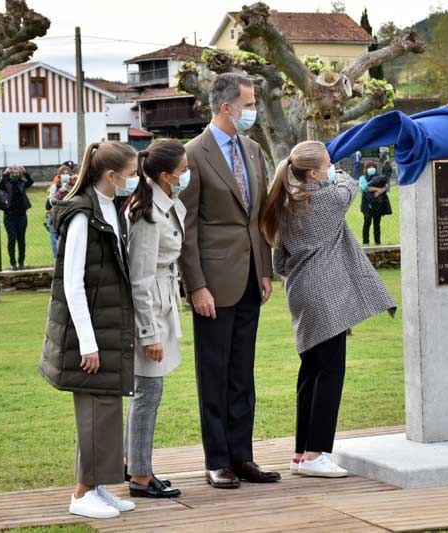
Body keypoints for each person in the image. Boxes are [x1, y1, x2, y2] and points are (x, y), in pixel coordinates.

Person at [259, 140, 396, 478]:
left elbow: (281, 262)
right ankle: (316, 453)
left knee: (310, 372)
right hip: (325, 295)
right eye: (328, 163)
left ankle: (300, 453)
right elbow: (349, 184)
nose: (334, 167)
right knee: (331, 373)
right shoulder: (327, 198)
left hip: (301, 292)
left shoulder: (286, 205)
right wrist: (335, 174)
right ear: (315, 171)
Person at [178, 73, 280, 489]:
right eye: (249, 104)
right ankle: (217, 459)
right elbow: (186, 226)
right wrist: (196, 284)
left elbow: (258, 217)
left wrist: (265, 268)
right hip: (213, 284)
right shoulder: (193, 154)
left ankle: (243, 457)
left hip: (251, 279)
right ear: (226, 108)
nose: (254, 111)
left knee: (243, 374)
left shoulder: (253, 149)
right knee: (214, 373)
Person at [38, 141, 139, 519]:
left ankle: (97, 486)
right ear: (111, 176)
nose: (134, 181)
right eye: (130, 176)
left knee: (107, 409)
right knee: (95, 412)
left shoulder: (111, 208)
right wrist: (87, 341)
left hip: (110, 323)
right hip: (92, 329)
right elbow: (72, 282)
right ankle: (81, 494)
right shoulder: (82, 215)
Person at [123, 139, 188, 499]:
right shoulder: (147, 213)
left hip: (163, 302)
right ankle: (141, 476)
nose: (186, 175)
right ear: (165, 175)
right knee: (149, 391)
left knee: (147, 392)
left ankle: (133, 464)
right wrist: (148, 334)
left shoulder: (164, 204)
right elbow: (141, 278)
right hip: (150, 310)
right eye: (182, 171)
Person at [0, 165, 33, 270]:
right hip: (9, 216)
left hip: (21, 216)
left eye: (16, 172)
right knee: (11, 239)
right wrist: (5, 173)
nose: (14, 174)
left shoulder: (22, 183)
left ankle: (21, 262)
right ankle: (13, 263)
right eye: (12, 173)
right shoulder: (6, 183)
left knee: (21, 240)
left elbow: (30, 182)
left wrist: (25, 172)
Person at [359, 161, 392, 246]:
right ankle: (366, 242)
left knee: (377, 223)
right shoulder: (363, 178)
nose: (371, 169)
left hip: (377, 204)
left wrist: (381, 190)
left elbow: (387, 187)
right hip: (367, 204)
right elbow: (365, 188)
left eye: (372, 167)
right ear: (366, 169)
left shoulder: (380, 177)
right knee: (367, 222)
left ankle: (378, 242)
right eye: (369, 167)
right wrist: (378, 189)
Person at [46, 165, 73, 259]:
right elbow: (51, 201)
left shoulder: (73, 185)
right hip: (56, 214)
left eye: (67, 173)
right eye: (63, 173)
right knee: (54, 236)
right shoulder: (55, 186)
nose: (65, 175)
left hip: (69, 214)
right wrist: (60, 192)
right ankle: (57, 257)